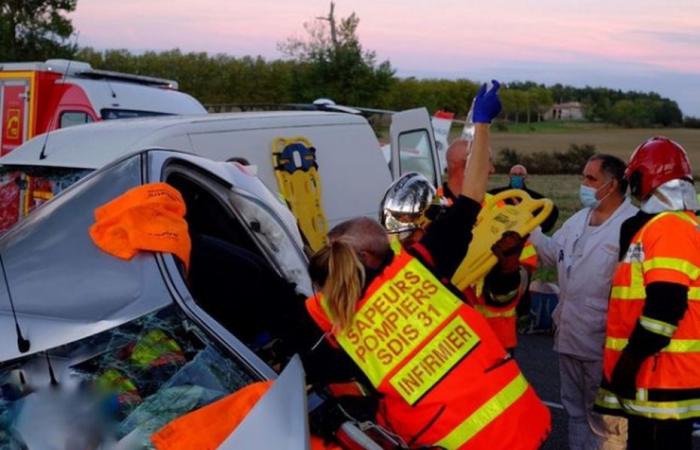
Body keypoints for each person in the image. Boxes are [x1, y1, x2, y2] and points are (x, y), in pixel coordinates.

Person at [305, 81, 551, 449]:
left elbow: (325, 374)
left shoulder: (326, 316)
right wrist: (481, 125)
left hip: (451, 430)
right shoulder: (416, 264)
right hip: (513, 412)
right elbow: (471, 199)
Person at [595, 137, 700, 450]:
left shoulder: (669, 227)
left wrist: (631, 358)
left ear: (649, 176)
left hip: (659, 378)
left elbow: (665, 305)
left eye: (635, 179)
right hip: (656, 380)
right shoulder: (665, 226)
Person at [530, 154, 637, 450]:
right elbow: (554, 253)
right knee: (575, 413)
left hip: (605, 343)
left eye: (591, 179)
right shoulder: (578, 220)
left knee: (608, 424)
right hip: (569, 334)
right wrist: (532, 231)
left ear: (612, 184)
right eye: (584, 177)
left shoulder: (631, 227)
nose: (584, 185)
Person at [435, 139, 537, 354]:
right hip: (443, 341)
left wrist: (506, 273)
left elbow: (526, 264)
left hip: (496, 338)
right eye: (487, 162)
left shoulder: (502, 210)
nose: (492, 170)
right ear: (467, 167)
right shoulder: (429, 210)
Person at [489, 164, 560, 233]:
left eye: (520, 174)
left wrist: (540, 229)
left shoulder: (534, 197)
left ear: (525, 176)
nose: (517, 177)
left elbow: (552, 211)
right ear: (509, 175)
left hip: (523, 233)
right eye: (514, 174)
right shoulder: (497, 193)